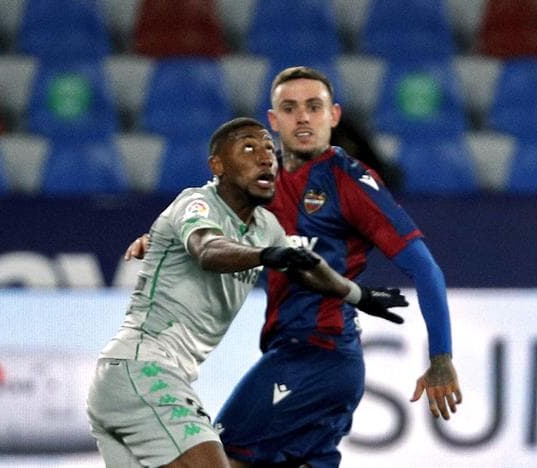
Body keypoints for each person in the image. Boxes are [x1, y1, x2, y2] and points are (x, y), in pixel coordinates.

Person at [127, 67, 462, 467]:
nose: (303, 118)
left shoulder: (349, 183)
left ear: (333, 116)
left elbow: (426, 269)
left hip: (318, 354)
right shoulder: (260, 181)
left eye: (314, 107)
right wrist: (163, 238)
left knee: (211, 459)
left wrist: (441, 358)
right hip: (304, 355)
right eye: (290, 108)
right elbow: (208, 222)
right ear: (273, 120)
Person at [88, 116, 408, 468]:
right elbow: (207, 250)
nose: (265, 157)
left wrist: (358, 295)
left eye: (269, 148)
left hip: (136, 381)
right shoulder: (197, 203)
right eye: (249, 148)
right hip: (142, 370)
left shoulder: (266, 226)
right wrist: (265, 255)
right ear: (218, 166)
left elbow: (304, 266)